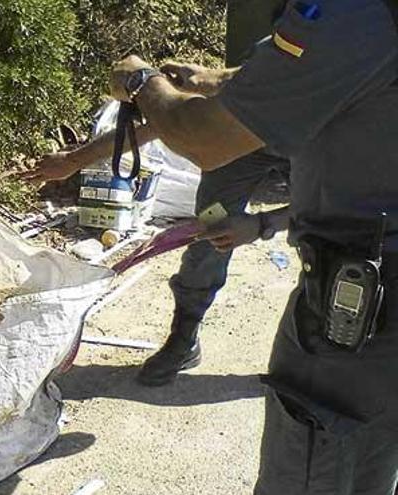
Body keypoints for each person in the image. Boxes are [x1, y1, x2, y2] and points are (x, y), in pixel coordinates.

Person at [106, 0, 398, 492]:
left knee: (316, 468)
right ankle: (185, 333)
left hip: (356, 321)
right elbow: (337, 72)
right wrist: (216, 79)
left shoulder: (354, 11)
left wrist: (140, 83)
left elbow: (205, 138)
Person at [22, 0, 292, 386]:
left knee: (333, 245)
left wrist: (263, 223)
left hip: (319, 158)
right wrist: (73, 160)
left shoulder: (357, 99)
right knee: (211, 226)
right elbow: (157, 127)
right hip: (245, 146)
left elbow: (347, 206)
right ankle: (185, 333)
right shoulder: (286, 51)